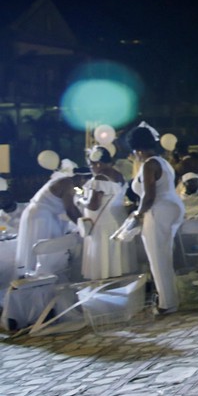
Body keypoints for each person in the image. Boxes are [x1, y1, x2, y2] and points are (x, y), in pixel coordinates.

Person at [129, 122, 185, 315]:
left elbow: (149, 194)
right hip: (172, 206)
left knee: (158, 258)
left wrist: (138, 214)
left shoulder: (148, 164)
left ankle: (167, 303)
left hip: (158, 210)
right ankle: (170, 298)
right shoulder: (163, 161)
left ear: (137, 149)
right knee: (164, 254)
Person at [15, 168, 86, 277]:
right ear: (82, 178)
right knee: (43, 248)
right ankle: (38, 275)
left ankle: (42, 273)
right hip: (41, 218)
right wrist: (85, 226)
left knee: (46, 249)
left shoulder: (65, 181)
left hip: (43, 215)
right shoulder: (67, 183)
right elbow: (70, 210)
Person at [80, 146, 135, 280]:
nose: (91, 168)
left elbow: (94, 205)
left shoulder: (100, 178)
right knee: (115, 260)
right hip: (116, 222)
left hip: (102, 225)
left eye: (91, 165)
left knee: (103, 260)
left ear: (97, 163)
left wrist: (81, 201)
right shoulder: (118, 175)